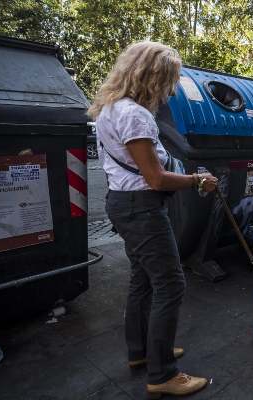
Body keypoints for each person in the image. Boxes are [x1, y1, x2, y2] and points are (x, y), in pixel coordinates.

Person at [87, 41, 217, 399]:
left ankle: (141, 352)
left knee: (142, 279)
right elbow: (156, 178)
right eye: (170, 79)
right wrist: (198, 181)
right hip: (142, 207)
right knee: (171, 284)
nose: (171, 88)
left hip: (122, 203)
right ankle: (162, 373)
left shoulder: (110, 110)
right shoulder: (136, 114)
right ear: (154, 76)